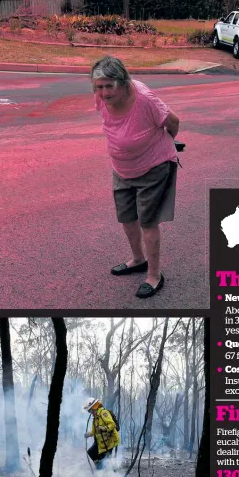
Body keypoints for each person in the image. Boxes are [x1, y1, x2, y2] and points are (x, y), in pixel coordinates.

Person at [92, 56, 180, 299]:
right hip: (121, 168)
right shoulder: (101, 98)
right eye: (99, 87)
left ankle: (154, 275)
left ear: (123, 82)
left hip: (153, 167)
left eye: (109, 86)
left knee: (147, 222)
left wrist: (166, 142)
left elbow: (173, 122)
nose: (104, 92)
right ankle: (138, 260)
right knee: (127, 217)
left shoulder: (144, 99)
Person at [83, 397, 120, 469]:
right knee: (91, 452)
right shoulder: (95, 418)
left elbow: (112, 425)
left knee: (106, 461)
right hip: (102, 443)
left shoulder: (103, 413)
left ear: (94, 407)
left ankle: (109, 474)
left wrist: (104, 428)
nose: (90, 413)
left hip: (109, 442)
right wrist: (88, 434)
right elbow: (94, 432)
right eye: (89, 411)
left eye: (90, 411)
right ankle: (100, 470)